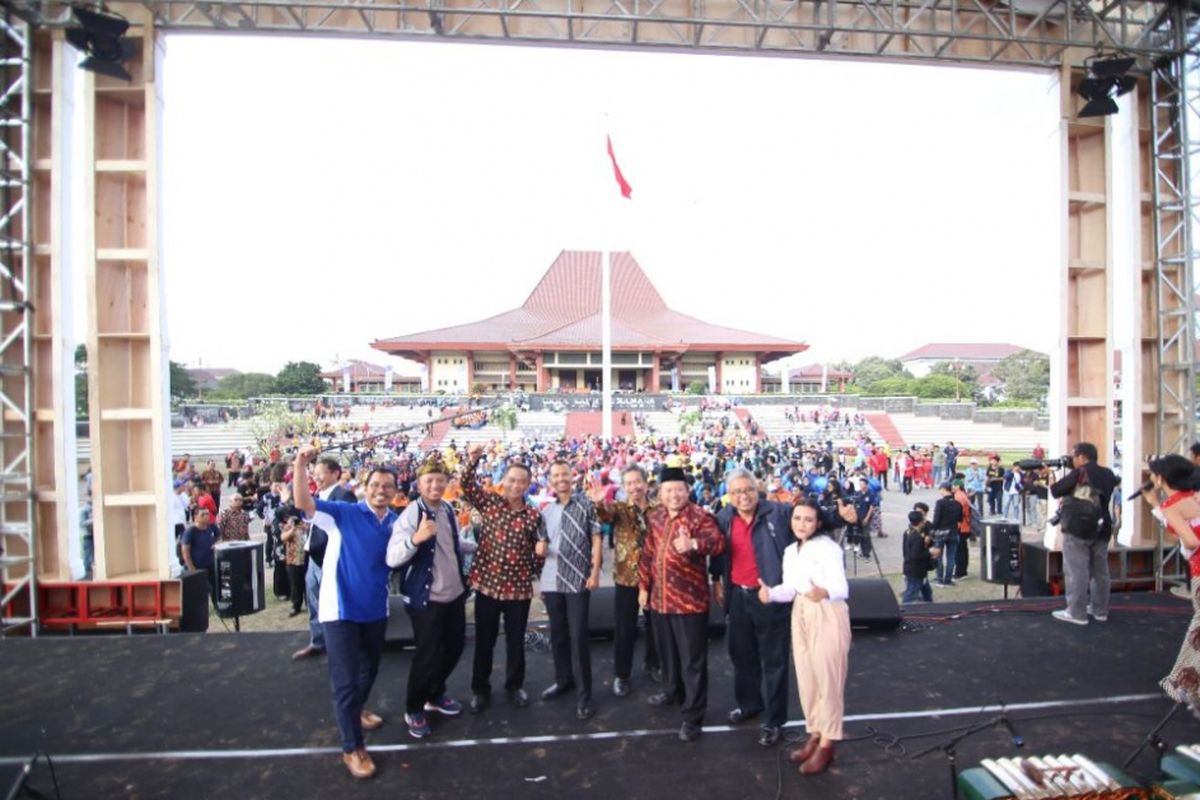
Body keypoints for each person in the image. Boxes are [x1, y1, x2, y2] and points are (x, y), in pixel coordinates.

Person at [293, 444, 399, 780]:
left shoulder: (397, 522)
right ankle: (352, 747)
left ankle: (357, 709)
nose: (381, 491)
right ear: (365, 488)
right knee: (345, 679)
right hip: (339, 610)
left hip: (375, 609)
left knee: (370, 668)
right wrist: (300, 463)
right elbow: (303, 504)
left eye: (388, 486)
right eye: (376, 485)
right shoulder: (343, 512)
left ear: (396, 491)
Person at [758, 499, 850, 776]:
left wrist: (823, 591)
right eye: (797, 518)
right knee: (808, 681)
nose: (801, 524)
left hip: (827, 612)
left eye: (808, 519)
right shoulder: (790, 551)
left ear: (818, 523)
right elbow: (791, 588)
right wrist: (770, 594)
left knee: (828, 682)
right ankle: (815, 733)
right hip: (800, 612)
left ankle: (828, 742)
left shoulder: (828, 548)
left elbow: (841, 587)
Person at [638, 466, 726, 743]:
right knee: (668, 654)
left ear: (687, 491)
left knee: (693, 661)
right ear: (661, 494)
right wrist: (643, 587)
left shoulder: (701, 517)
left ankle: (693, 715)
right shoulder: (656, 517)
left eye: (678, 489)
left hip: (689, 603)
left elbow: (718, 543)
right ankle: (672, 690)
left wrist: (695, 544)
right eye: (668, 490)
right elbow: (648, 555)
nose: (674, 494)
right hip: (660, 599)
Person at [387, 452, 472, 738]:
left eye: (440, 480)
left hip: (454, 594)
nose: (436, 485)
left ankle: (435, 695)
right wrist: (416, 538)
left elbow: (456, 544)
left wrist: (481, 546)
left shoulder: (447, 509)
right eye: (430, 481)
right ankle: (414, 707)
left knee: (456, 647)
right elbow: (392, 557)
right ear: (420, 484)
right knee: (426, 655)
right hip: (426, 600)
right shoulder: (412, 513)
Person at [711, 468, 792, 747]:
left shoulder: (779, 513)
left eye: (747, 490)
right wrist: (716, 579)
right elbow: (717, 551)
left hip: (768, 596)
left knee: (774, 660)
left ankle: (774, 720)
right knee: (741, 655)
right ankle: (749, 705)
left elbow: (813, 520)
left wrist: (839, 516)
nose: (743, 496)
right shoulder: (724, 518)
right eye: (736, 492)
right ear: (729, 496)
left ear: (756, 488)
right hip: (737, 595)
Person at [462, 444, 544, 714]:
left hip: (518, 590)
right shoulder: (490, 503)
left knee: (515, 641)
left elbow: (537, 556)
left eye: (522, 481)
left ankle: (514, 686)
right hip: (487, 586)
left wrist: (538, 559)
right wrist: (473, 460)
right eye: (511, 480)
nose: (516, 485)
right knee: (484, 641)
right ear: (503, 481)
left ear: (528, 485)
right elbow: (466, 485)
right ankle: (480, 689)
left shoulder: (534, 516)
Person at [537, 460, 603, 721]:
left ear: (572, 477)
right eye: (556, 475)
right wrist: (540, 547)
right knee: (559, 635)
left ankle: (585, 695)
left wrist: (595, 571)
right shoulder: (546, 511)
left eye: (565, 474)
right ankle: (563, 680)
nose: (561, 478)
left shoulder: (586, 504)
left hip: (577, 579)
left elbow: (596, 539)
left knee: (578, 637)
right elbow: (542, 543)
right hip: (551, 581)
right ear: (550, 480)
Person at [591, 464, 662, 699]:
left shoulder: (658, 509)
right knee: (625, 628)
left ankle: (653, 664)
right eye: (629, 483)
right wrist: (599, 502)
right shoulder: (619, 508)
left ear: (645, 482)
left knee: (656, 626)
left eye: (637, 481)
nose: (634, 487)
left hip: (655, 578)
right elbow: (604, 516)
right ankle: (622, 675)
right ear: (623, 486)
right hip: (626, 578)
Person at [1142, 455, 1200, 706]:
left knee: (1197, 632)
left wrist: (1188, 550)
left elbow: (1191, 541)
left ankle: (1183, 683)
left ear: (1161, 478)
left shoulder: (1172, 506)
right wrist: (1154, 502)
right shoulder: (1194, 498)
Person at [292, 458, 355, 662]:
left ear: (335, 473)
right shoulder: (319, 495)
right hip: (314, 559)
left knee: (334, 606)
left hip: (332, 560)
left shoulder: (343, 495)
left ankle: (338, 648)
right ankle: (317, 642)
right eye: (315, 473)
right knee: (314, 603)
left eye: (321, 473)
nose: (316, 477)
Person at [1048, 442, 1117, 625]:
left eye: (1074, 456)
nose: (1072, 460)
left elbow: (1056, 491)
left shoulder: (1079, 472)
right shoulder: (1108, 473)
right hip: (1102, 527)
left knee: (1076, 571)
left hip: (1078, 528)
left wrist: (1051, 479)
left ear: (1081, 457)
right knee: (1100, 571)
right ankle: (1100, 610)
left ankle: (1076, 613)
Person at [181, 507, 219, 605]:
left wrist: (216, 544)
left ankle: (217, 606)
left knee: (215, 587)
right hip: (197, 566)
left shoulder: (211, 527)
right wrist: (192, 569)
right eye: (203, 515)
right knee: (200, 591)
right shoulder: (191, 531)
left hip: (210, 564)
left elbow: (218, 537)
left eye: (207, 514)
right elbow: (185, 551)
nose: (206, 516)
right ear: (196, 517)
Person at [901, 510, 940, 603]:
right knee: (911, 593)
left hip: (910, 567)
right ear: (920, 522)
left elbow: (910, 550)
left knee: (926, 591)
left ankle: (930, 606)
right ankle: (905, 611)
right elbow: (916, 555)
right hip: (916, 570)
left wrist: (925, 543)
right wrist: (930, 552)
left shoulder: (907, 532)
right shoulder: (917, 537)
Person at [930, 482, 962, 587]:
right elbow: (960, 518)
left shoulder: (940, 503)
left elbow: (936, 519)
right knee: (951, 556)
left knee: (938, 555)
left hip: (941, 531)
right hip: (953, 531)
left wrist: (932, 530)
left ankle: (939, 578)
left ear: (943, 489)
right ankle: (948, 579)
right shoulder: (958, 504)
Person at [278, 507, 309, 617]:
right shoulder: (289, 527)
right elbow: (283, 538)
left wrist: (305, 527)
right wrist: (293, 529)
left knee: (308, 584)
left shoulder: (306, 525)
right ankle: (296, 605)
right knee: (295, 584)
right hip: (293, 560)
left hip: (307, 559)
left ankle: (309, 604)